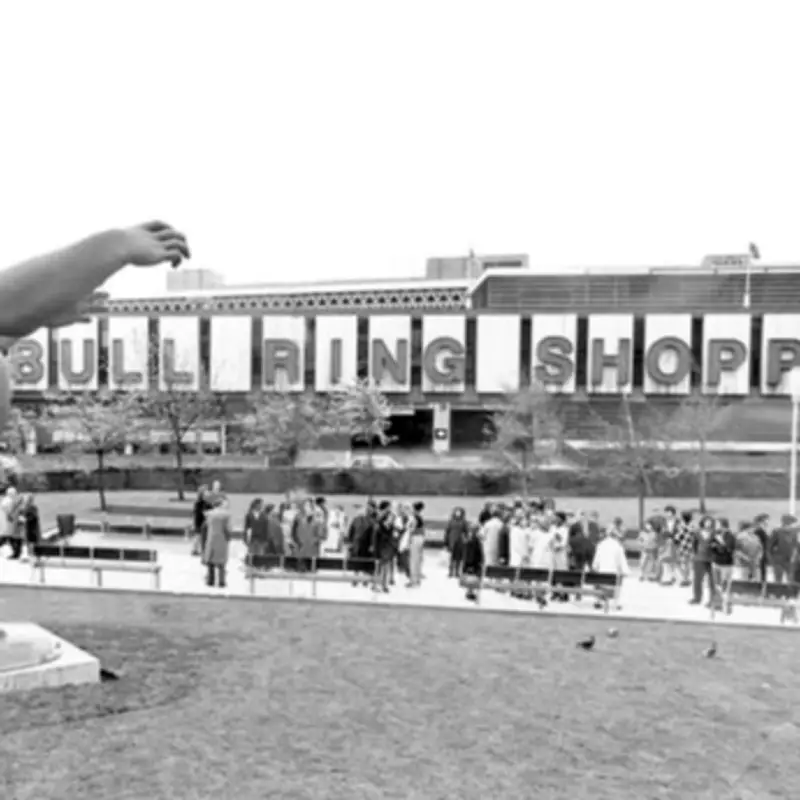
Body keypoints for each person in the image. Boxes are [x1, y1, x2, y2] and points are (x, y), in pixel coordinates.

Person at [203, 498, 232, 589]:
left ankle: (210, 580)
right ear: (220, 505)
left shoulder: (209, 514)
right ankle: (221, 581)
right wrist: (229, 537)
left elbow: (206, 526)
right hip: (221, 539)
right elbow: (227, 528)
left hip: (211, 538)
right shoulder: (225, 515)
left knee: (211, 561)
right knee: (221, 562)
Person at [444, 507, 469, 578]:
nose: (458, 513)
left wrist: (466, 540)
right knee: (451, 558)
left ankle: (457, 572)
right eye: (457, 512)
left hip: (460, 542)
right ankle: (450, 572)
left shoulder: (464, 522)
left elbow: (466, 532)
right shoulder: (451, 521)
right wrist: (446, 542)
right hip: (451, 541)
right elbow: (447, 532)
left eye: (459, 512)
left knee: (458, 558)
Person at [407, 501, 426, 588]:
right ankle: (417, 580)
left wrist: (408, 539)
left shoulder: (414, 517)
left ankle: (413, 581)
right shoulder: (420, 517)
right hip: (420, 538)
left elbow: (411, 529)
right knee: (418, 560)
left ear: (414, 509)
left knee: (413, 560)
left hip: (415, 538)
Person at [191, 485, 212, 556]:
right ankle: (194, 550)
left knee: (201, 536)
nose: (208, 492)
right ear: (202, 493)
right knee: (198, 535)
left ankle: (200, 549)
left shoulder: (207, 502)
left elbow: (210, 509)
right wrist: (206, 513)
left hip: (204, 521)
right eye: (206, 491)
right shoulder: (199, 502)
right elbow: (199, 512)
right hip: (199, 521)